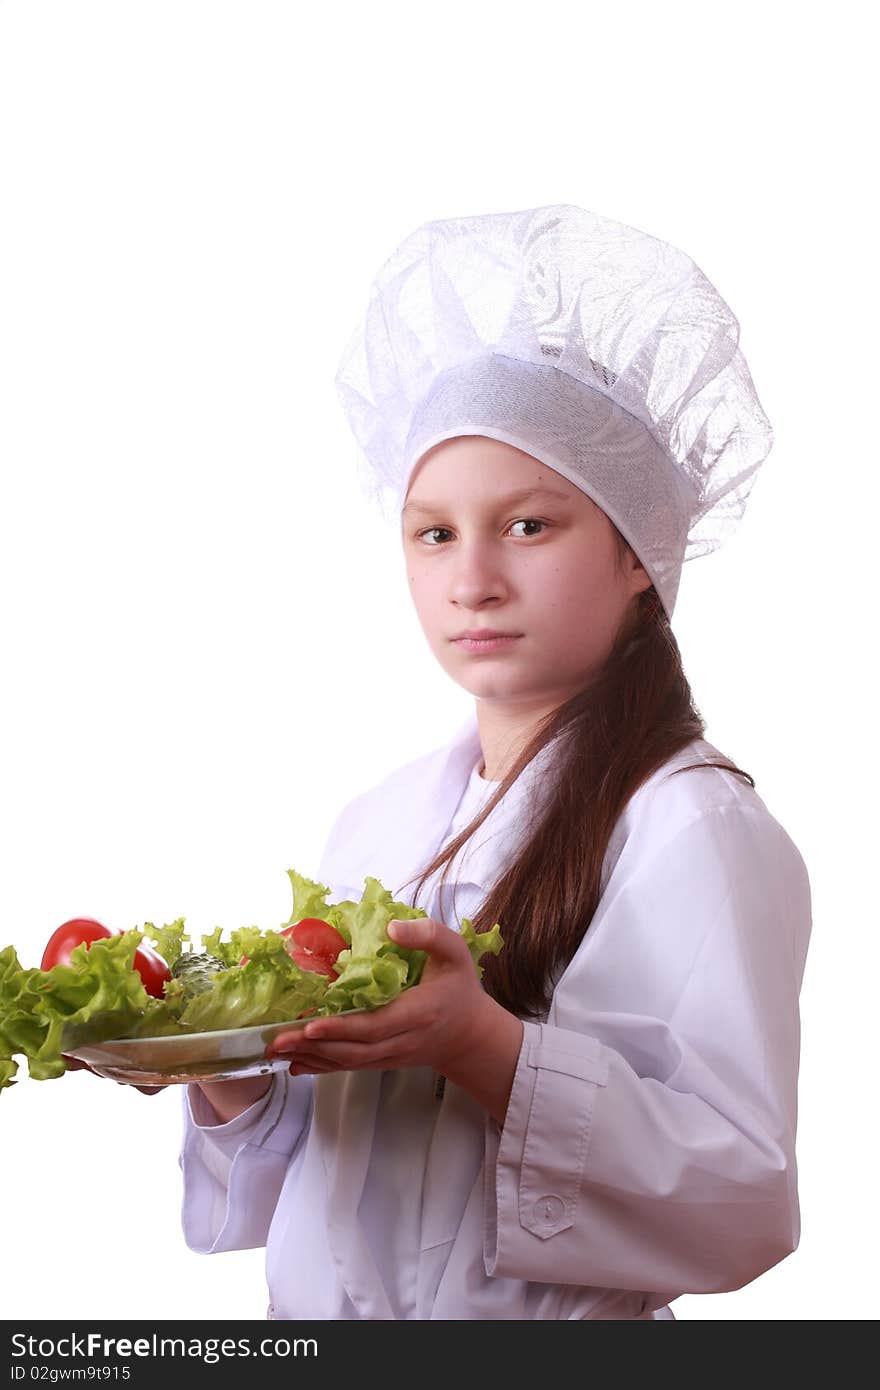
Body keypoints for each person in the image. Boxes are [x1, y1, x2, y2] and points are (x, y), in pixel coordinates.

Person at [176, 205, 812, 1320]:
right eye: (433, 533)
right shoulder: (377, 822)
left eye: (527, 526)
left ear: (635, 554)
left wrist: (488, 1048)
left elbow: (741, 1201)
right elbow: (313, 1176)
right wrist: (214, 1063)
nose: (470, 578)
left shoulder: (691, 828)